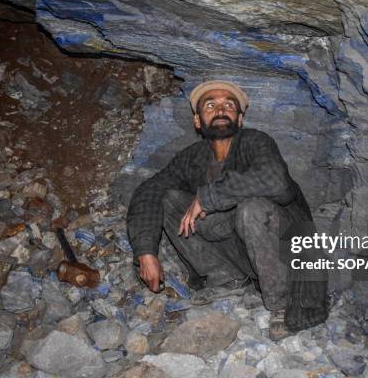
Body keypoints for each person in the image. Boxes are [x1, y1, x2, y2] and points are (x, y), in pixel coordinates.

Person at [126, 80, 329, 340]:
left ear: (240, 118)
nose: (221, 110)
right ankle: (226, 278)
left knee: (251, 208)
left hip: (288, 256)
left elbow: (278, 182)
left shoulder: (256, 142)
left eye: (229, 105)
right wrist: (145, 252)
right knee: (167, 197)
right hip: (243, 255)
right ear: (198, 121)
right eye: (211, 105)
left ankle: (282, 303)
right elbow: (149, 191)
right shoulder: (192, 158)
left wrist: (209, 197)